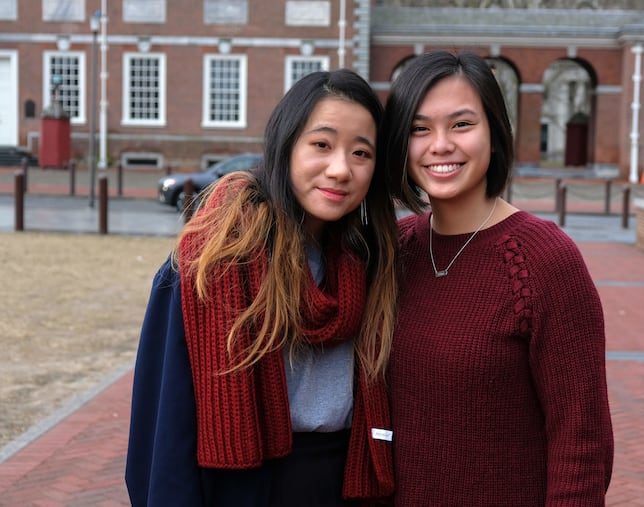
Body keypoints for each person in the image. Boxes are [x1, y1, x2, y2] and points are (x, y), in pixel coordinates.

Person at [126, 69, 398, 506]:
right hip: (245, 486)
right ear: (286, 146)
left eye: (361, 152)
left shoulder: (371, 262)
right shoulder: (212, 261)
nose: (340, 169)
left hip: (345, 483)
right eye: (322, 145)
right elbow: (163, 426)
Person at [378, 50, 614, 506]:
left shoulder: (545, 260)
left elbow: (581, 441)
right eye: (419, 129)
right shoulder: (394, 249)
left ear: (495, 131)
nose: (440, 145)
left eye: (462, 124)